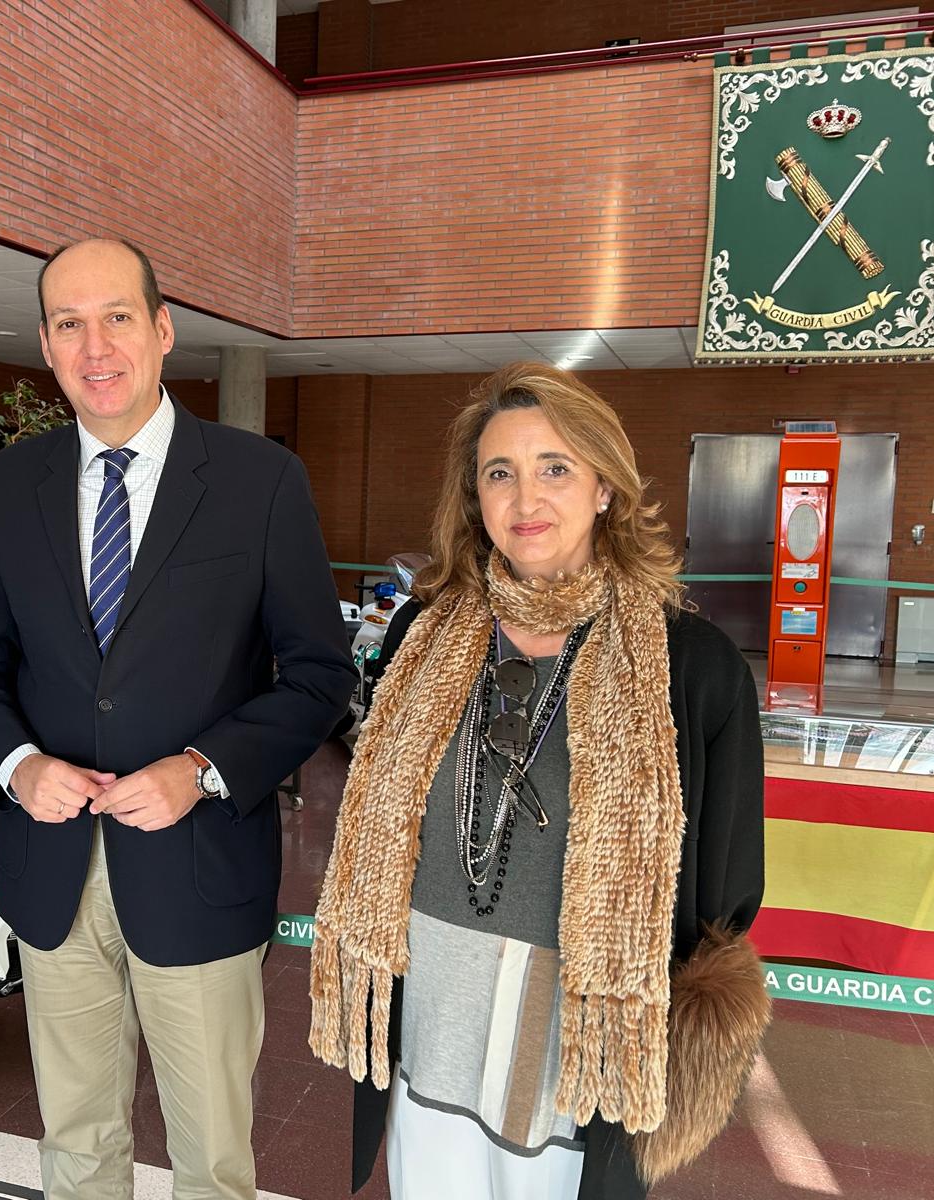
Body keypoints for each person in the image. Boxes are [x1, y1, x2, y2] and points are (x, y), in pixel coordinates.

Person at [0, 237, 355, 1199]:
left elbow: (318, 673)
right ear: (46, 346)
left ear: (163, 330)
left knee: (211, 1156)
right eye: (68, 323)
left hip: (199, 863)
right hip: (53, 873)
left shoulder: (259, 482)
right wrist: (16, 766)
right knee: (77, 1142)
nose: (96, 344)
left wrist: (202, 768)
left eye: (117, 316)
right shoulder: (11, 485)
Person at [309, 362, 770, 1200]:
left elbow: (726, 894)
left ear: (604, 488)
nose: (526, 499)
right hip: (432, 1010)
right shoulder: (422, 630)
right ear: (475, 499)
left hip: (575, 1042)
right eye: (500, 473)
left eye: (555, 467)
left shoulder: (692, 667)